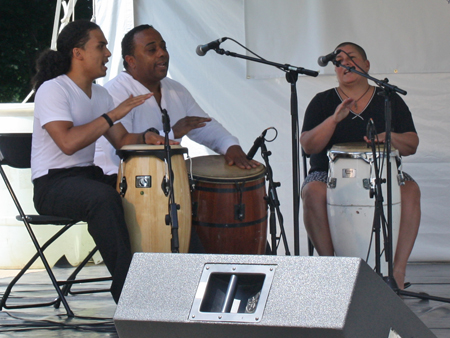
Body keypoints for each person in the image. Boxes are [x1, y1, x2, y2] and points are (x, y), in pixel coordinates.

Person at [31, 20, 176, 303]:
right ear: (78, 53)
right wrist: (112, 114)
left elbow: (122, 141)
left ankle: (171, 283)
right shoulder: (53, 89)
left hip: (87, 177)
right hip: (53, 185)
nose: (108, 54)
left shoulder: (100, 94)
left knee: (151, 190)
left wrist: (148, 138)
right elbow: (68, 143)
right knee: (104, 198)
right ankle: (131, 294)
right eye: (101, 46)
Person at [300, 42, 421, 290]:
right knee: (312, 191)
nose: (345, 63)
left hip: (382, 172)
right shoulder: (322, 101)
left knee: (410, 190)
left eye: (351, 58)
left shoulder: (388, 99)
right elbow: (308, 146)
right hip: (329, 174)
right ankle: (333, 273)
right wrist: (333, 120)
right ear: (335, 70)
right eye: (339, 60)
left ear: (366, 65)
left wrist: (390, 137)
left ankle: (396, 273)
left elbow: (411, 144)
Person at [94, 24, 258, 176]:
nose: (162, 53)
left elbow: (203, 125)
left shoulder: (176, 90)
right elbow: (122, 151)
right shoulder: (114, 92)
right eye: (152, 50)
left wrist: (230, 146)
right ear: (131, 61)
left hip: (166, 183)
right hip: (119, 183)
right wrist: (173, 133)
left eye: (163, 47)